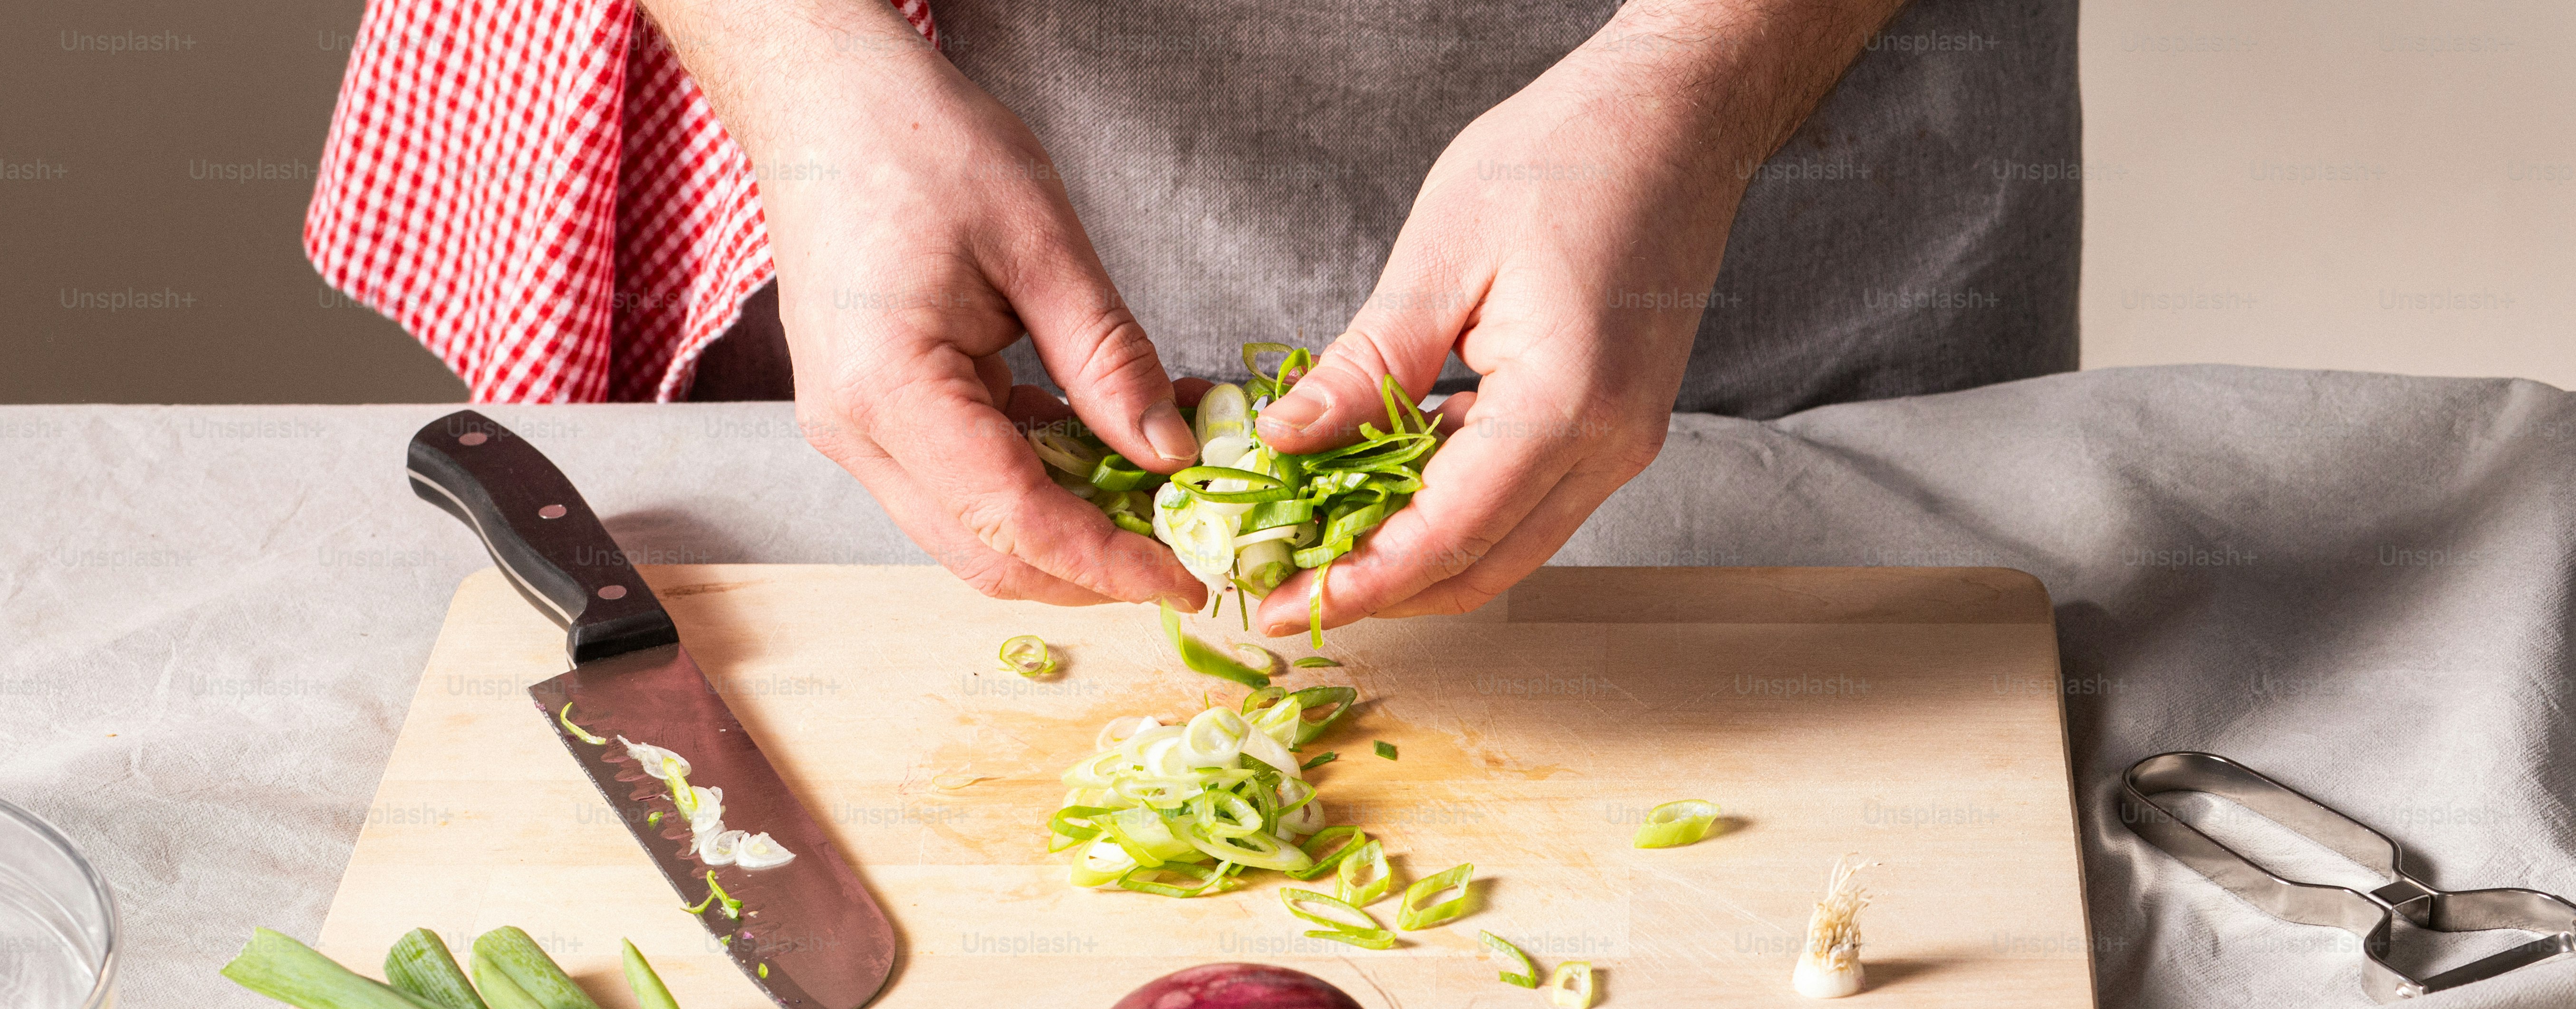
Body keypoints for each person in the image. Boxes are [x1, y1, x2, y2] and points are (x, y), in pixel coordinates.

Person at [308, 0, 2078, 633]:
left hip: (1789, 115)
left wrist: (1702, 75)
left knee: (1861, 608)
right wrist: (790, 58)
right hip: (938, 95)